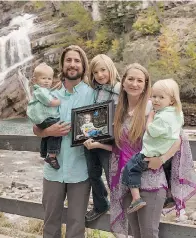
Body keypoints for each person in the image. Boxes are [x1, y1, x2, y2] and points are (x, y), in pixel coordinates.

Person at [84, 64, 196, 237]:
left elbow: (179, 139)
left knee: (149, 233)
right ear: (122, 83)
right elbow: (121, 148)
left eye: (140, 81)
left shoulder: (155, 108)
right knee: (135, 233)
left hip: (151, 181)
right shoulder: (119, 112)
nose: (134, 84)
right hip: (128, 182)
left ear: (146, 85)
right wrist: (99, 145)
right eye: (130, 79)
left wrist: (162, 159)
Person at [33, 45, 95, 238]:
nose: (72, 64)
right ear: (62, 64)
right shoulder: (50, 94)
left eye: (77, 60)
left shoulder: (92, 94)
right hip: (54, 170)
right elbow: (36, 128)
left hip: (81, 169)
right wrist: (48, 131)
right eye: (68, 60)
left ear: (83, 66)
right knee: (50, 223)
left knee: (76, 225)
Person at [122, 79, 184, 213]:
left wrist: (150, 119)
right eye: (154, 96)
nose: (156, 100)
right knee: (168, 172)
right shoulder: (176, 113)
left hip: (151, 153)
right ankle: (171, 195)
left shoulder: (161, 117)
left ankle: (136, 198)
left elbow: (152, 131)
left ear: (172, 100)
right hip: (165, 152)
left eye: (161, 97)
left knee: (130, 168)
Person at [84, 54, 121, 222]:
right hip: (92, 137)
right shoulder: (93, 91)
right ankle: (100, 204)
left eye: (103, 70)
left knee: (111, 174)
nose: (100, 75)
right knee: (93, 173)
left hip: (109, 140)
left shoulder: (120, 89)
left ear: (111, 69)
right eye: (96, 72)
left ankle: (120, 208)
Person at [27, 63, 62, 169]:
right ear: (36, 80)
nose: (47, 81)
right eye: (43, 78)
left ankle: (44, 153)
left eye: (49, 79)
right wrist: (60, 101)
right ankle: (52, 155)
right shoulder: (40, 90)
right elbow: (49, 102)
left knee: (48, 135)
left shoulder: (44, 90)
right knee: (57, 131)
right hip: (44, 118)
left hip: (42, 119)